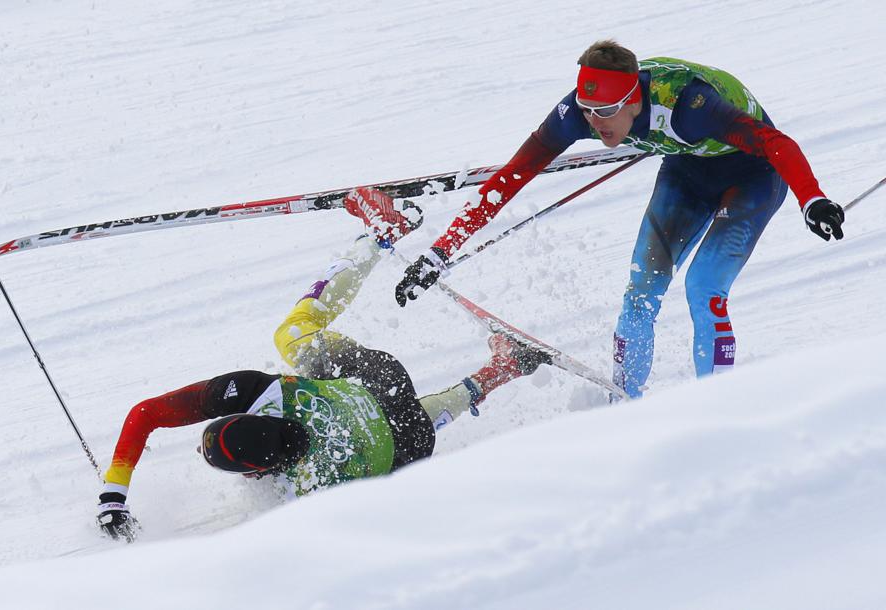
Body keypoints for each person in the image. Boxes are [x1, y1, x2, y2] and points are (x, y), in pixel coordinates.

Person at [96, 187, 552, 542]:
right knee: (293, 335)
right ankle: (380, 237)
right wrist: (111, 495)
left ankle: (500, 370)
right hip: (379, 379)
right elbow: (146, 413)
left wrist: (117, 498)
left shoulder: (306, 496)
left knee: (398, 438)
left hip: (407, 438)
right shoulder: (261, 392)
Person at [395, 40, 845, 399]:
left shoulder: (690, 104)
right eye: (589, 112)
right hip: (687, 171)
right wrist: (439, 253)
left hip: (753, 175)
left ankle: (719, 407)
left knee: (703, 286)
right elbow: (512, 176)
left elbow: (775, 143)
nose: (596, 123)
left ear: (634, 101)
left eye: (607, 113)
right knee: (640, 294)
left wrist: (813, 200)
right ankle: (623, 411)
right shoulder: (579, 111)